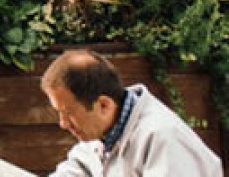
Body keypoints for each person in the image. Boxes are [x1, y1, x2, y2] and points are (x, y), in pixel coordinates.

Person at [40, 49, 220, 177]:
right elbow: (76, 170)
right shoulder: (100, 134)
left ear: (103, 105)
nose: (63, 123)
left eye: (68, 113)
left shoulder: (164, 138)